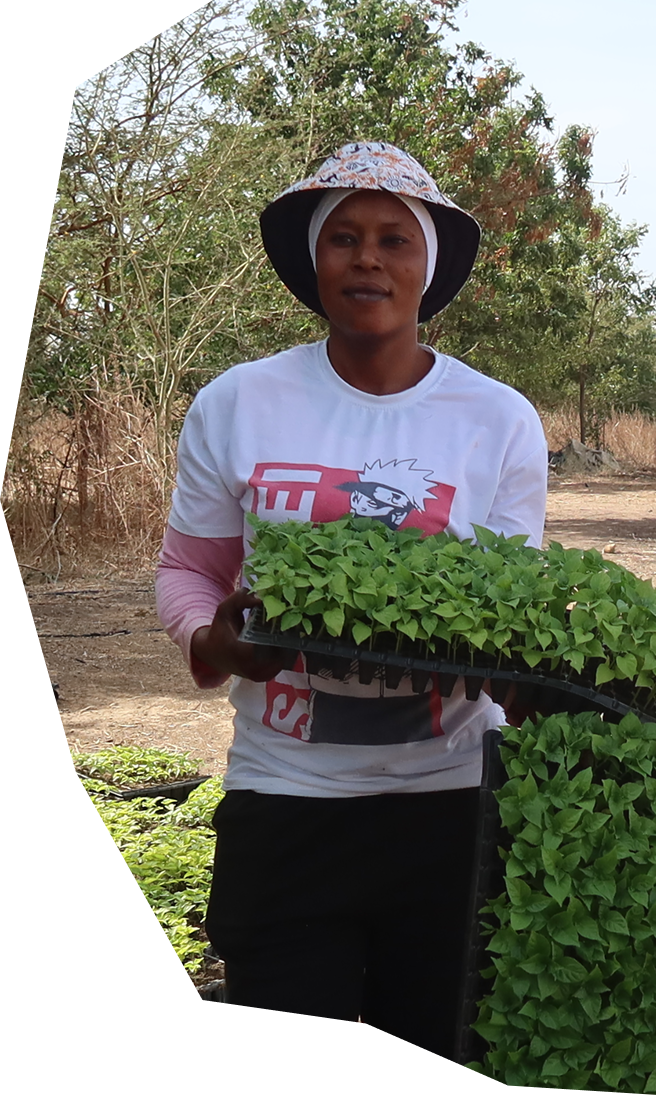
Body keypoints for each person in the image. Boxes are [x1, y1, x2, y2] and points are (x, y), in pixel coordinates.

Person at [155, 142, 548, 1059]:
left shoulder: (498, 418)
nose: (367, 258)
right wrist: (213, 639)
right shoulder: (238, 402)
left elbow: (514, 602)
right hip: (285, 798)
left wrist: (528, 675)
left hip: (449, 801)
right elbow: (187, 572)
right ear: (315, 261)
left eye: (393, 239)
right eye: (344, 238)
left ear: (428, 264)